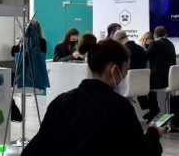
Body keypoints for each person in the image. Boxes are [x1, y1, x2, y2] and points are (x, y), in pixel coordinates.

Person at [22, 34, 165, 156]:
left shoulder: (61, 101)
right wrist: (153, 133)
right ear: (114, 70)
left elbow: (36, 148)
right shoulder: (119, 108)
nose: (124, 78)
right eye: (125, 72)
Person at [10, 19, 47, 121]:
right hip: (22, 73)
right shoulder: (22, 41)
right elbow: (13, 52)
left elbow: (37, 57)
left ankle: (15, 115)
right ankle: (15, 114)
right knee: (4, 80)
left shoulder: (41, 42)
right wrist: (20, 41)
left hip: (32, 75)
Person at [143, 26, 176, 122]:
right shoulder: (170, 43)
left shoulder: (155, 44)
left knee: (144, 84)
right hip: (171, 79)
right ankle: (154, 109)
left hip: (160, 80)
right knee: (149, 82)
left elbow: (145, 56)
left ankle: (154, 108)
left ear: (154, 35)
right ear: (165, 33)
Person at [115, 29, 150, 111]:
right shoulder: (141, 49)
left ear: (118, 40)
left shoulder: (123, 51)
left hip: (127, 86)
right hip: (141, 85)